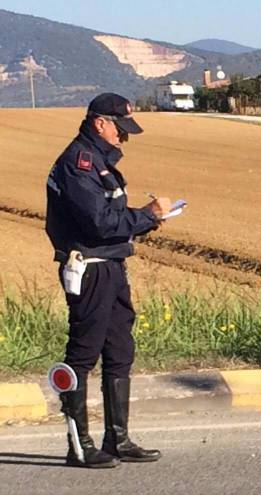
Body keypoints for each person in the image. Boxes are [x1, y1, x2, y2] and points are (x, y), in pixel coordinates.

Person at [45, 93, 171, 468]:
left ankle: (117, 439)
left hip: (112, 266)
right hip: (90, 269)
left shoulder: (99, 160)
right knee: (83, 355)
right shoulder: (78, 164)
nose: (124, 138)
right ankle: (79, 445)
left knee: (120, 351)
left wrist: (145, 222)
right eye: (121, 129)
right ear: (100, 123)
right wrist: (146, 215)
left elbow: (111, 219)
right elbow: (98, 223)